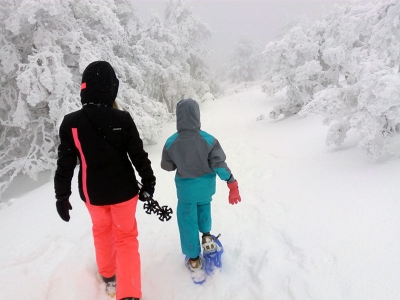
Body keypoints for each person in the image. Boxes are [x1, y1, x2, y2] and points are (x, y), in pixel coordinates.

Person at [54, 61, 155, 300]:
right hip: (124, 192)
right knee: (126, 238)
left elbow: (65, 164)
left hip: (93, 194)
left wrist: (62, 196)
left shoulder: (71, 123)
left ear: (84, 89)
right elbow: (138, 155)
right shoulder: (122, 118)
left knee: (101, 232)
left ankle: (109, 276)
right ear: (111, 88)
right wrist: (148, 183)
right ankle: (129, 293)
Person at [160, 98, 241, 275]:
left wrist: (180, 160)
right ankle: (206, 237)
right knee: (204, 208)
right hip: (206, 189)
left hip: (186, 192)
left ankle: (194, 260)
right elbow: (219, 165)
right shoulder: (209, 140)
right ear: (197, 116)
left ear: (178, 117)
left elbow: (167, 166)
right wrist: (231, 182)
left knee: (187, 221)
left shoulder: (171, 142)